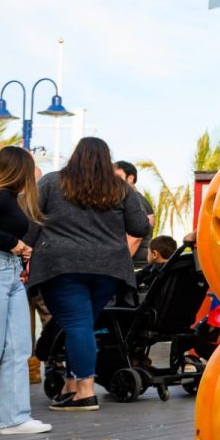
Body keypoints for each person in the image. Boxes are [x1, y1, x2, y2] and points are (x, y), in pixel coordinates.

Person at [31, 137, 150, 412]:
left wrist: (25, 249)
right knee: (83, 325)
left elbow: (32, 220)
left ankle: (85, 391)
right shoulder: (120, 188)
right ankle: (71, 386)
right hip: (108, 268)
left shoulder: (51, 182)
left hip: (61, 266)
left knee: (77, 325)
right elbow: (139, 227)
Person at [0, 146, 49, 435]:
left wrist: (19, 248)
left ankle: (15, 417)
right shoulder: (2, 197)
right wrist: (11, 242)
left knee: (19, 347)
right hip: (3, 267)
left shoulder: (11, 199)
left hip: (12, 272)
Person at [114, 160, 155, 267]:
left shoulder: (135, 200)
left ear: (130, 178)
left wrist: (118, 265)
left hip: (135, 266)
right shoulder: (137, 199)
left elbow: (135, 238)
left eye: (118, 177)